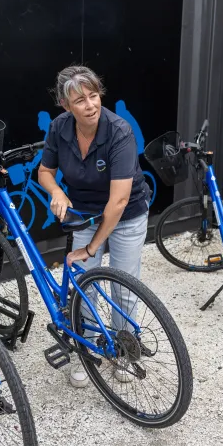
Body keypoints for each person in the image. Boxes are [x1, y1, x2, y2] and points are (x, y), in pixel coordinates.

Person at [38, 65, 152, 388]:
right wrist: (57, 191)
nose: (90, 105)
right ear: (66, 106)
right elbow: (44, 172)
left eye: (94, 95)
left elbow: (117, 203)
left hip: (126, 214)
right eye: (80, 100)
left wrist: (90, 248)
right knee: (86, 284)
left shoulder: (119, 131)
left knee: (123, 286)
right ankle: (87, 351)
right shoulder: (59, 128)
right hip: (86, 213)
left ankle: (125, 351)